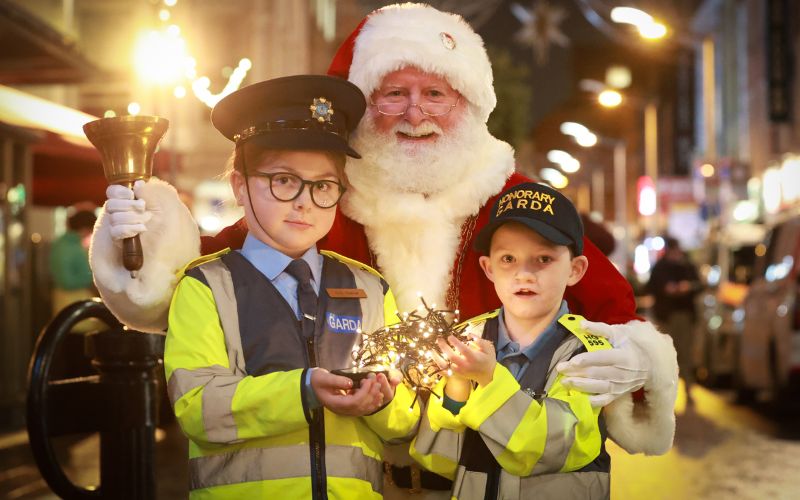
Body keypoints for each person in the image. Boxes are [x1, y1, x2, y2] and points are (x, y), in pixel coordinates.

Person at [90, 2, 678, 488]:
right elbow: (203, 275)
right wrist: (140, 238)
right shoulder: (323, 205)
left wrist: (628, 357)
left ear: (468, 105)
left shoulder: (512, 201)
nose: (415, 114)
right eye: (393, 93)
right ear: (363, 107)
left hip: (491, 476)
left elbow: (600, 298)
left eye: (436, 94)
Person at [164, 75, 419, 499]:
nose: (304, 201)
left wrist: (383, 401)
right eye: (284, 180)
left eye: (322, 186)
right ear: (240, 186)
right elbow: (198, 408)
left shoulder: (371, 288)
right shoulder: (205, 286)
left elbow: (404, 423)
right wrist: (303, 390)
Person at [411, 182, 622, 498]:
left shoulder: (590, 351)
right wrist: (455, 392)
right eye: (508, 259)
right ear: (488, 267)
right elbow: (437, 458)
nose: (523, 274)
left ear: (575, 270)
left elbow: (555, 450)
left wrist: (488, 379)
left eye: (543, 259)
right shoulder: (468, 338)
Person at [646, 236, 701, 406]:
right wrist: (666, 289)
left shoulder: (687, 266)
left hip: (683, 315)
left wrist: (688, 287)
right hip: (665, 316)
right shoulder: (661, 267)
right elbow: (651, 287)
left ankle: (688, 390)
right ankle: (665, 395)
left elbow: (699, 285)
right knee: (665, 356)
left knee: (684, 354)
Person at [50, 206, 97, 314]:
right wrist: (92, 278)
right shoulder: (74, 248)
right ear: (85, 228)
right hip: (75, 300)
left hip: (59, 299)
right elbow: (68, 281)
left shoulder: (58, 243)